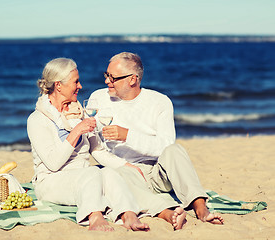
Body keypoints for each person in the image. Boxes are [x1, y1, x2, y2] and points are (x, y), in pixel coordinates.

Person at [89, 52, 224, 225]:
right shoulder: (98, 98)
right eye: (106, 75)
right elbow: (95, 147)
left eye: (113, 78)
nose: (107, 81)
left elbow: (165, 146)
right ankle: (169, 212)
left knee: (175, 150)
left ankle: (201, 208)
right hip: (123, 171)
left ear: (132, 79)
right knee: (114, 176)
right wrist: (124, 165)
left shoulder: (160, 102)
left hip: (157, 173)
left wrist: (127, 135)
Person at [27, 57, 150, 232]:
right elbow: (53, 163)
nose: (80, 86)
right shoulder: (37, 120)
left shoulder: (78, 113)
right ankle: (95, 217)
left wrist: (126, 165)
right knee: (93, 172)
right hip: (51, 181)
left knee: (109, 173)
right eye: (75, 82)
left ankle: (128, 214)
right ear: (58, 85)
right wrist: (76, 131)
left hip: (83, 176)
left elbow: (97, 151)